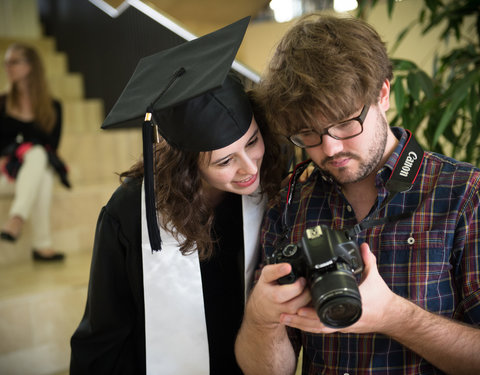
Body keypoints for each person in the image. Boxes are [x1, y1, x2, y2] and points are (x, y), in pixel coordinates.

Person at [235, 13, 480, 375]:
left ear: (383, 93)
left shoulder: (464, 194)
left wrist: (394, 316)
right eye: (308, 134)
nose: (330, 149)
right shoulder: (290, 201)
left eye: (345, 123)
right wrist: (260, 318)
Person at [69, 17, 286, 375]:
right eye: (226, 160)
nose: (250, 168)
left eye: (252, 141)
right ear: (189, 165)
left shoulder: (275, 183)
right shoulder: (130, 213)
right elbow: (103, 335)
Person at [0, 43, 69, 261]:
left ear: (30, 66)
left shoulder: (53, 107)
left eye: (14, 62)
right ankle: (41, 244)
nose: (7, 67)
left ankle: (18, 220)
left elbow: (53, 148)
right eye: (5, 63)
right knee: (41, 164)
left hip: (31, 172)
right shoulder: (1, 103)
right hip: (4, 174)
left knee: (40, 158)